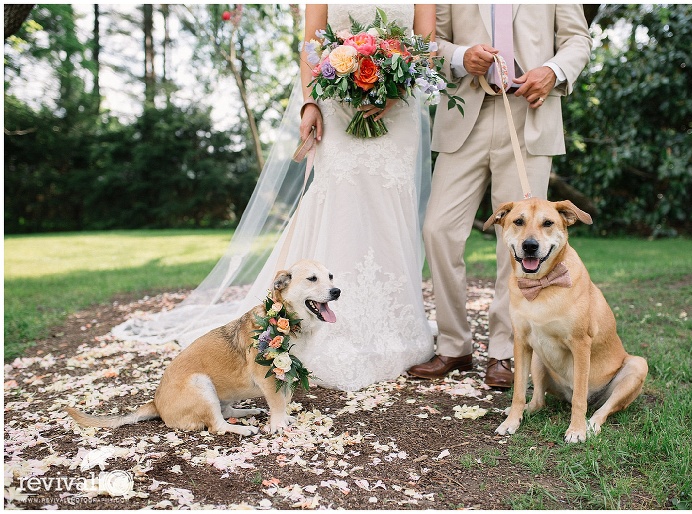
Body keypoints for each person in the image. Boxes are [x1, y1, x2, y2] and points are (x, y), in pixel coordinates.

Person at [112, 4, 435, 392]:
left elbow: (425, 41)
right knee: (342, 202)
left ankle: (395, 323)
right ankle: (323, 321)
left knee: (388, 205)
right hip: (337, 105)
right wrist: (311, 102)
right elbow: (310, 46)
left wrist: (395, 93)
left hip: (399, 111)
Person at [408, 4, 592, 388]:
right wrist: (460, 57)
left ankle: (504, 352)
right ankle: (454, 345)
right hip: (464, 116)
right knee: (437, 229)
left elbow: (578, 40)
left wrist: (552, 72)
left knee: (518, 241)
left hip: (530, 117)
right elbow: (426, 44)